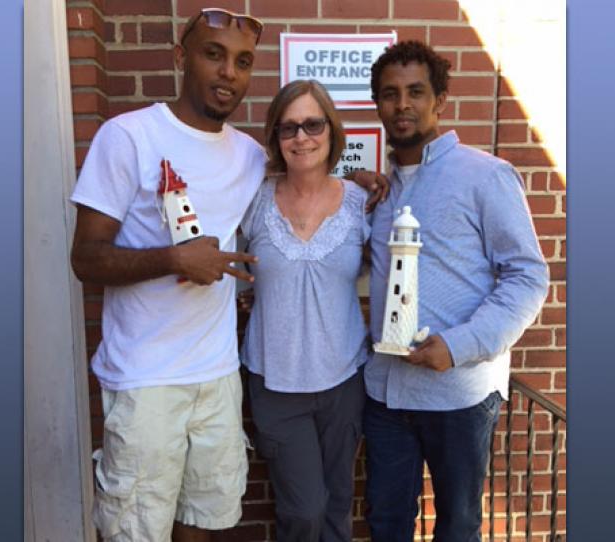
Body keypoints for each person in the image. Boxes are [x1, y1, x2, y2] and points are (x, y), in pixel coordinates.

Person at [70, 8, 266, 542]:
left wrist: (359, 178)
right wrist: (174, 259)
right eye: (214, 54)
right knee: (136, 530)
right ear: (181, 57)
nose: (229, 72)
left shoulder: (250, 155)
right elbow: (85, 258)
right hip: (145, 381)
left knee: (202, 523)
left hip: (219, 374)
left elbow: (307, 172)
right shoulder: (128, 137)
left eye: (242, 62)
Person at [363, 40, 550, 542]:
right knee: (385, 522)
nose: (402, 105)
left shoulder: (485, 176)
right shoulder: (379, 192)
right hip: (385, 394)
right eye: (389, 94)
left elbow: (529, 276)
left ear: (439, 101)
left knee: (457, 526)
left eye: (416, 92)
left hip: (458, 395)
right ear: (378, 104)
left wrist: (459, 345)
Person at [239, 80, 370, 542]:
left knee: (337, 504)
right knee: (305, 510)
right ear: (275, 138)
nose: (302, 137)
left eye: (313, 124)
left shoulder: (360, 203)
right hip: (276, 382)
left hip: (343, 380)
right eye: (288, 127)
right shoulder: (254, 200)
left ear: (331, 131)